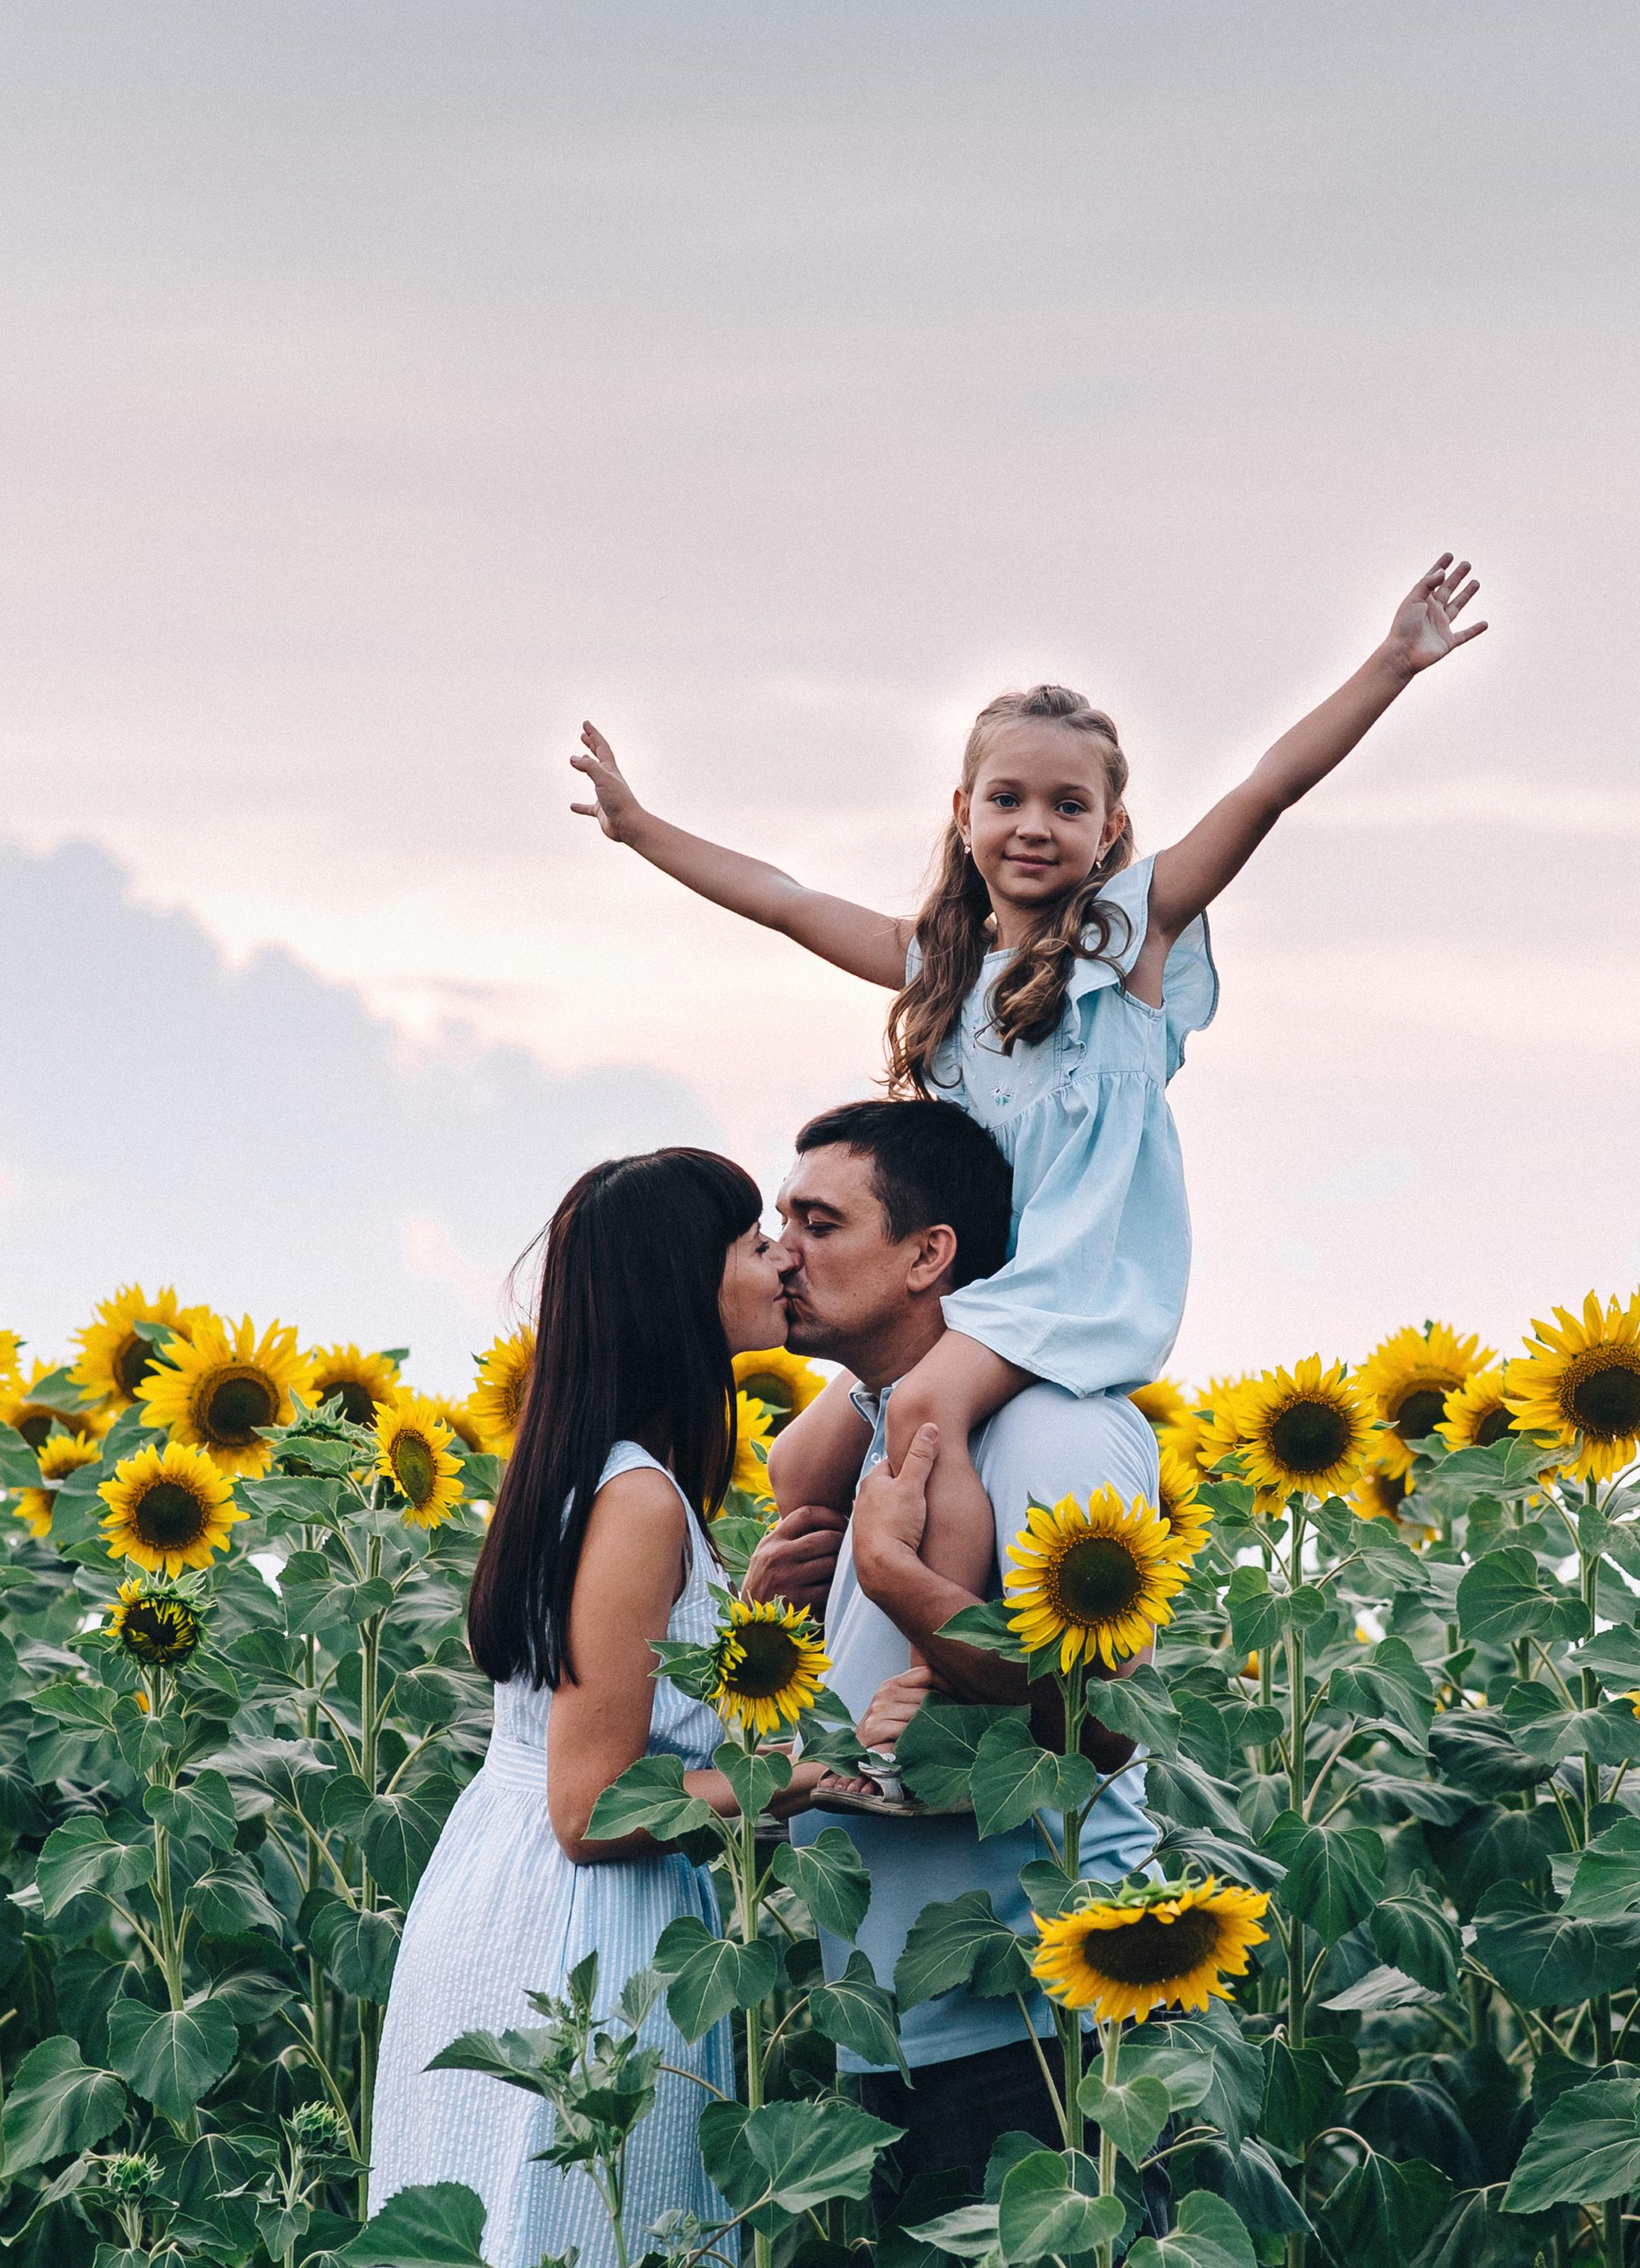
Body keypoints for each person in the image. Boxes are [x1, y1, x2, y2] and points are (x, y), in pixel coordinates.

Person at [571, 558, 1486, 1602]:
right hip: (970, 1287)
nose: (1035, 826)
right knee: (797, 1463)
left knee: (923, 1412)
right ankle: (811, 1643)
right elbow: (785, 898)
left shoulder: (1126, 948)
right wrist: (641, 830)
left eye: (1068, 805)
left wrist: (1393, 663)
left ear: (1111, 830)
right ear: (965, 813)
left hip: (1070, 1287)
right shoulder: (943, 969)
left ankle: (940, 1648)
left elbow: (1262, 791)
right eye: (1008, 799)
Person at [352, 1149, 826, 2268]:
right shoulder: (636, 1498)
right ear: (683, 1288)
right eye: (755, 1239)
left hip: (509, 1919)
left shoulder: (612, 1475)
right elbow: (598, 1803)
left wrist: (750, 1634)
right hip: (573, 1953)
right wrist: (805, 1778)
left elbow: (614, 1728)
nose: (780, 1261)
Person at [742, 1097, 1160, 2193]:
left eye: (820, 1225)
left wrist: (899, 1582)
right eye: (781, 1222)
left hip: (1038, 2021)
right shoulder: (880, 1434)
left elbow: (1104, 1720)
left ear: (930, 1254)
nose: (783, 1253)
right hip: (899, 2023)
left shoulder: (1051, 1430)